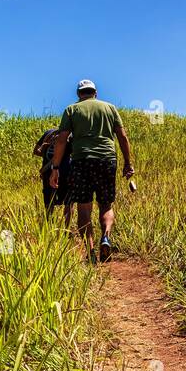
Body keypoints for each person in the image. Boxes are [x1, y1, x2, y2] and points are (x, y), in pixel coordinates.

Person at [49, 79, 134, 263]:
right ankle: (105, 238)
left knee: (84, 208)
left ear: (79, 94)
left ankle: (91, 252)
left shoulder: (72, 110)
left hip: (81, 161)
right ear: (95, 93)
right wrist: (128, 162)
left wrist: (55, 167)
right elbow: (122, 136)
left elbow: (62, 140)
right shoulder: (110, 108)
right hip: (107, 160)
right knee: (106, 205)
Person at [33, 127, 67, 215]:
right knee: (67, 203)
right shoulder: (68, 134)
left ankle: (49, 224)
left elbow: (36, 151)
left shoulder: (49, 133)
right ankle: (65, 226)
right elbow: (36, 151)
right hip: (63, 171)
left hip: (54, 172)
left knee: (50, 202)